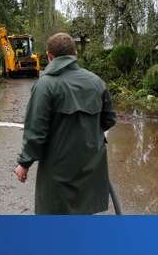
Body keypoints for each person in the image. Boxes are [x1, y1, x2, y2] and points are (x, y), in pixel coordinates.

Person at [13, 32, 117, 214]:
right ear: (75, 55)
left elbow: (36, 132)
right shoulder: (97, 82)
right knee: (83, 215)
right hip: (90, 168)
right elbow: (109, 119)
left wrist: (24, 164)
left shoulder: (45, 86)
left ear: (49, 56)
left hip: (58, 172)